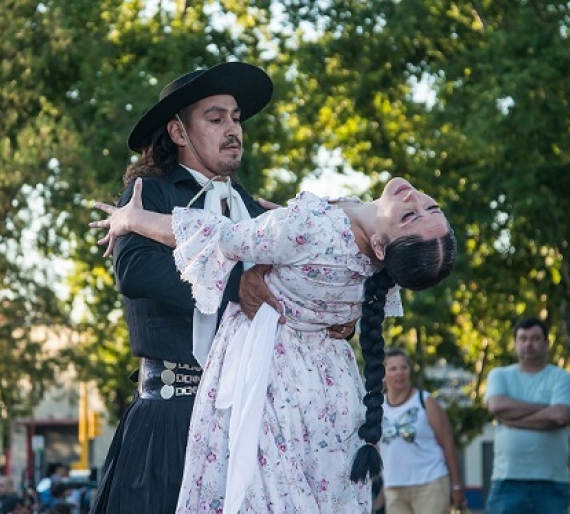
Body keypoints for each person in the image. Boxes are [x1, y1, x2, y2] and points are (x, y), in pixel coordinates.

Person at [90, 173, 456, 512]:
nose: (414, 198)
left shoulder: (312, 229)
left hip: (276, 390)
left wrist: (132, 219)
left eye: (411, 217)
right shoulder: (380, 263)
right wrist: (287, 224)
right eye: (430, 206)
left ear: (380, 246)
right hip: (333, 397)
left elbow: (218, 237)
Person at [89, 61, 357, 514]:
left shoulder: (253, 208)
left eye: (235, 118)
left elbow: (285, 288)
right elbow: (134, 271)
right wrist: (236, 282)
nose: (233, 129)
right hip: (173, 414)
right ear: (178, 131)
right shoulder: (149, 195)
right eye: (216, 119)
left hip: (254, 422)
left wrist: (336, 318)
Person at [484, 317, 570, 514]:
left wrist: (512, 420)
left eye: (535, 338)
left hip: (551, 481)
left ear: (546, 343)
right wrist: (545, 409)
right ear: (515, 344)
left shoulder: (561, 377)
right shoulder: (499, 375)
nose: (528, 344)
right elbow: (496, 405)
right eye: (523, 338)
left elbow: (560, 415)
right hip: (507, 479)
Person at [379, 347, 465, 513]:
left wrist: (456, 486)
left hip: (430, 483)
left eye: (404, 367)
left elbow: (448, 445)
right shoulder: (378, 407)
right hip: (394, 486)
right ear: (383, 375)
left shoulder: (425, 401)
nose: (400, 373)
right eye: (393, 368)